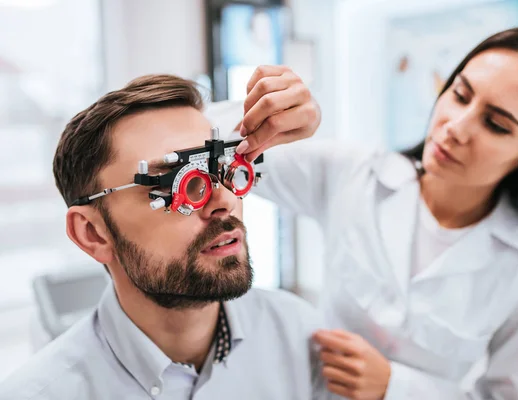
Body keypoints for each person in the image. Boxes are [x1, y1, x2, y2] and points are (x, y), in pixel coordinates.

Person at [231, 26, 518, 399]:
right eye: (460, 94)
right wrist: (273, 119)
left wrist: (395, 387)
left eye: (495, 124)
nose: (456, 127)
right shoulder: (355, 174)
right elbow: (204, 148)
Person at [0, 74, 329, 400]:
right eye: (175, 183)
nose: (225, 201)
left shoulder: (299, 337)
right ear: (93, 234)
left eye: (223, 168)